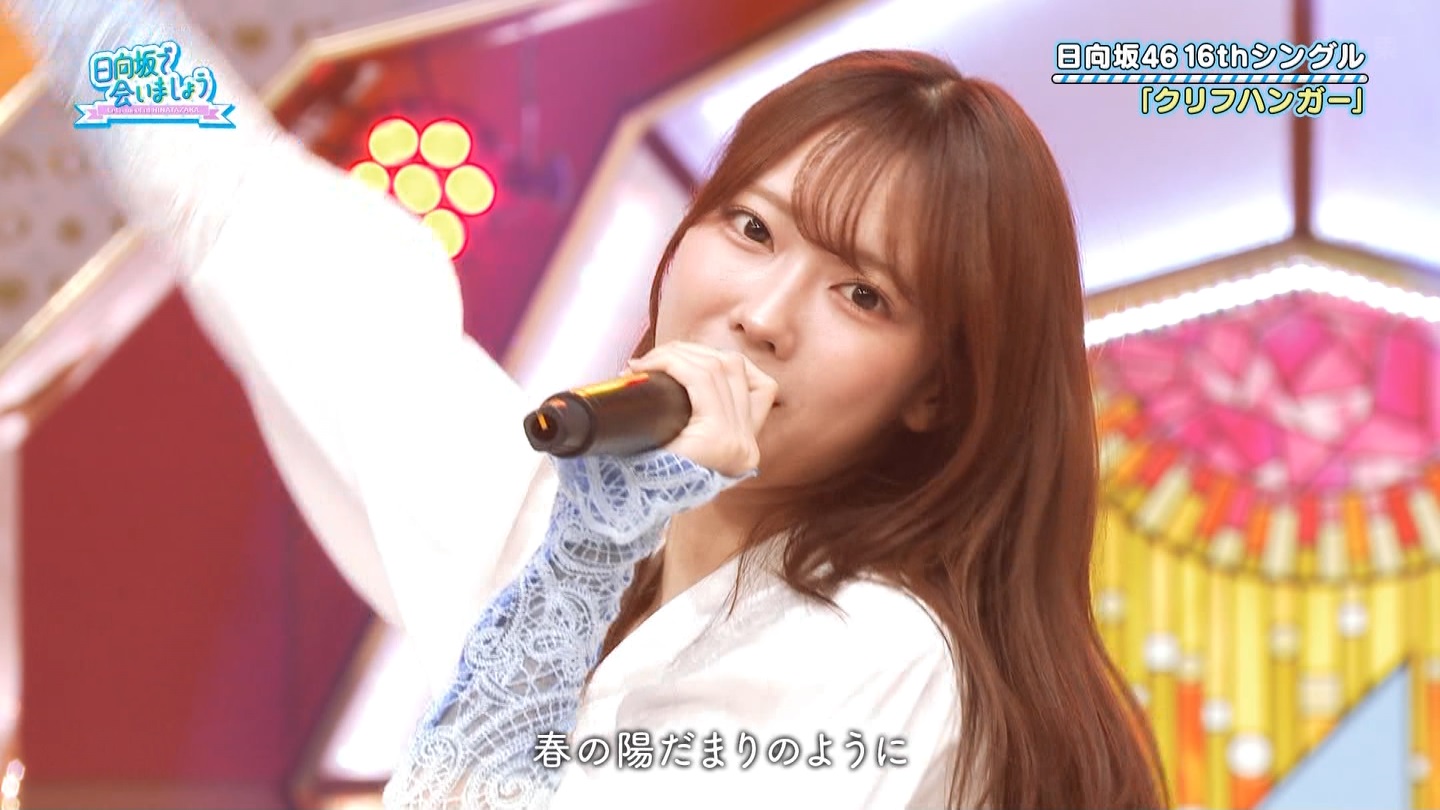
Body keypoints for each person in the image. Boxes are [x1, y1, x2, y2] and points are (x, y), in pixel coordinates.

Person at [9, 0, 1169, 807]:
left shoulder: (882, 654)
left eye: (862, 294)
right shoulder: (555, 516)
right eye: (751, 228)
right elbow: (236, 206)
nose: (763, 314)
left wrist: (583, 559)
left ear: (935, 392)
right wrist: (91, 18)